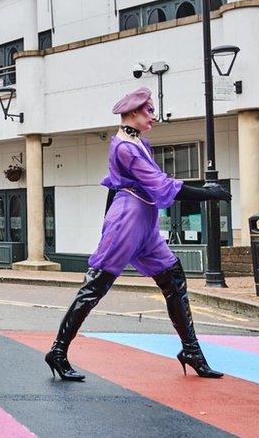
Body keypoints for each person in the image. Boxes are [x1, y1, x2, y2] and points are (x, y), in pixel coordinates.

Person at [44, 87, 231, 381]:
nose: (153, 116)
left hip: (143, 220)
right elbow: (161, 185)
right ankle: (58, 351)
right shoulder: (125, 148)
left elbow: (118, 185)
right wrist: (207, 193)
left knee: (174, 279)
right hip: (128, 220)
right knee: (95, 287)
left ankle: (192, 351)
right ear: (132, 113)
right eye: (148, 111)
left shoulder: (139, 143)